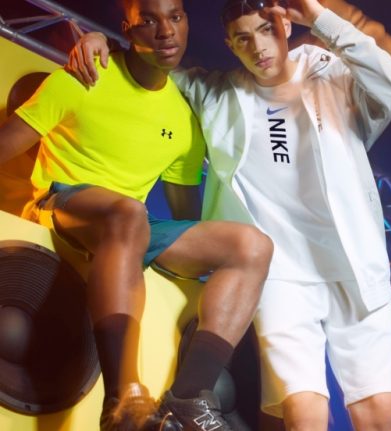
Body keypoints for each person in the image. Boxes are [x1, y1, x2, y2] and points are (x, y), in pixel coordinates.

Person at [67, 0, 391, 430]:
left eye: (266, 30)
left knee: (375, 410)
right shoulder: (215, 93)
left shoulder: (329, 73)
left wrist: (320, 18)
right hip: (281, 276)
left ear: (287, 26)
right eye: (243, 38)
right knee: (303, 409)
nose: (257, 47)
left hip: (355, 266)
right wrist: (102, 41)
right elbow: (145, 65)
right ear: (230, 45)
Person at [0, 0, 275, 430]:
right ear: (126, 29)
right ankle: (123, 399)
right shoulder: (82, 78)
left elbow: (187, 217)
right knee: (129, 213)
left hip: (129, 226)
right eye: (148, 20)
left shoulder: (183, 120)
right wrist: (95, 41)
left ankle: (189, 396)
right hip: (62, 204)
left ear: (187, 22)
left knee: (252, 246)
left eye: (175, 17)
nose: (165, 31)